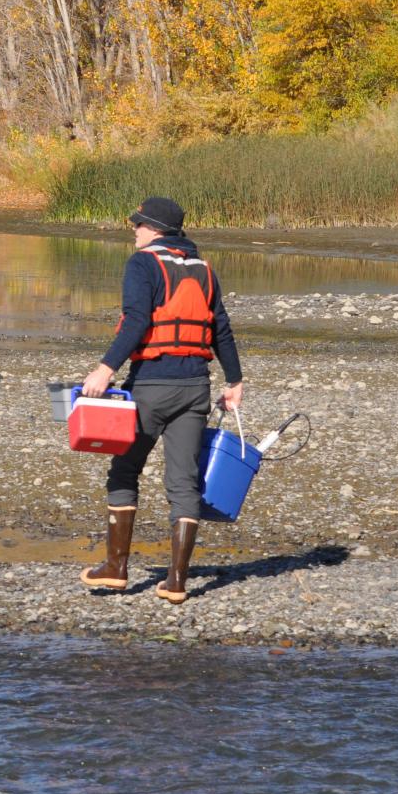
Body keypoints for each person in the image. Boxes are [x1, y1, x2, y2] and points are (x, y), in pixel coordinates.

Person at [78, 196, 243, 603]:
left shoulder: (142, 264)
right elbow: (220, 327)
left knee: (124, 470)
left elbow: (137, 321)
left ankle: (116, 568)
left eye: (138, 225)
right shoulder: (205, 268)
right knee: (184, 483)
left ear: (154, 230)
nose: (133, 230)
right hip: (195, 389)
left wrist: (105, 369)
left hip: (151, 385)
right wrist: (234, 380)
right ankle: (176, 582)